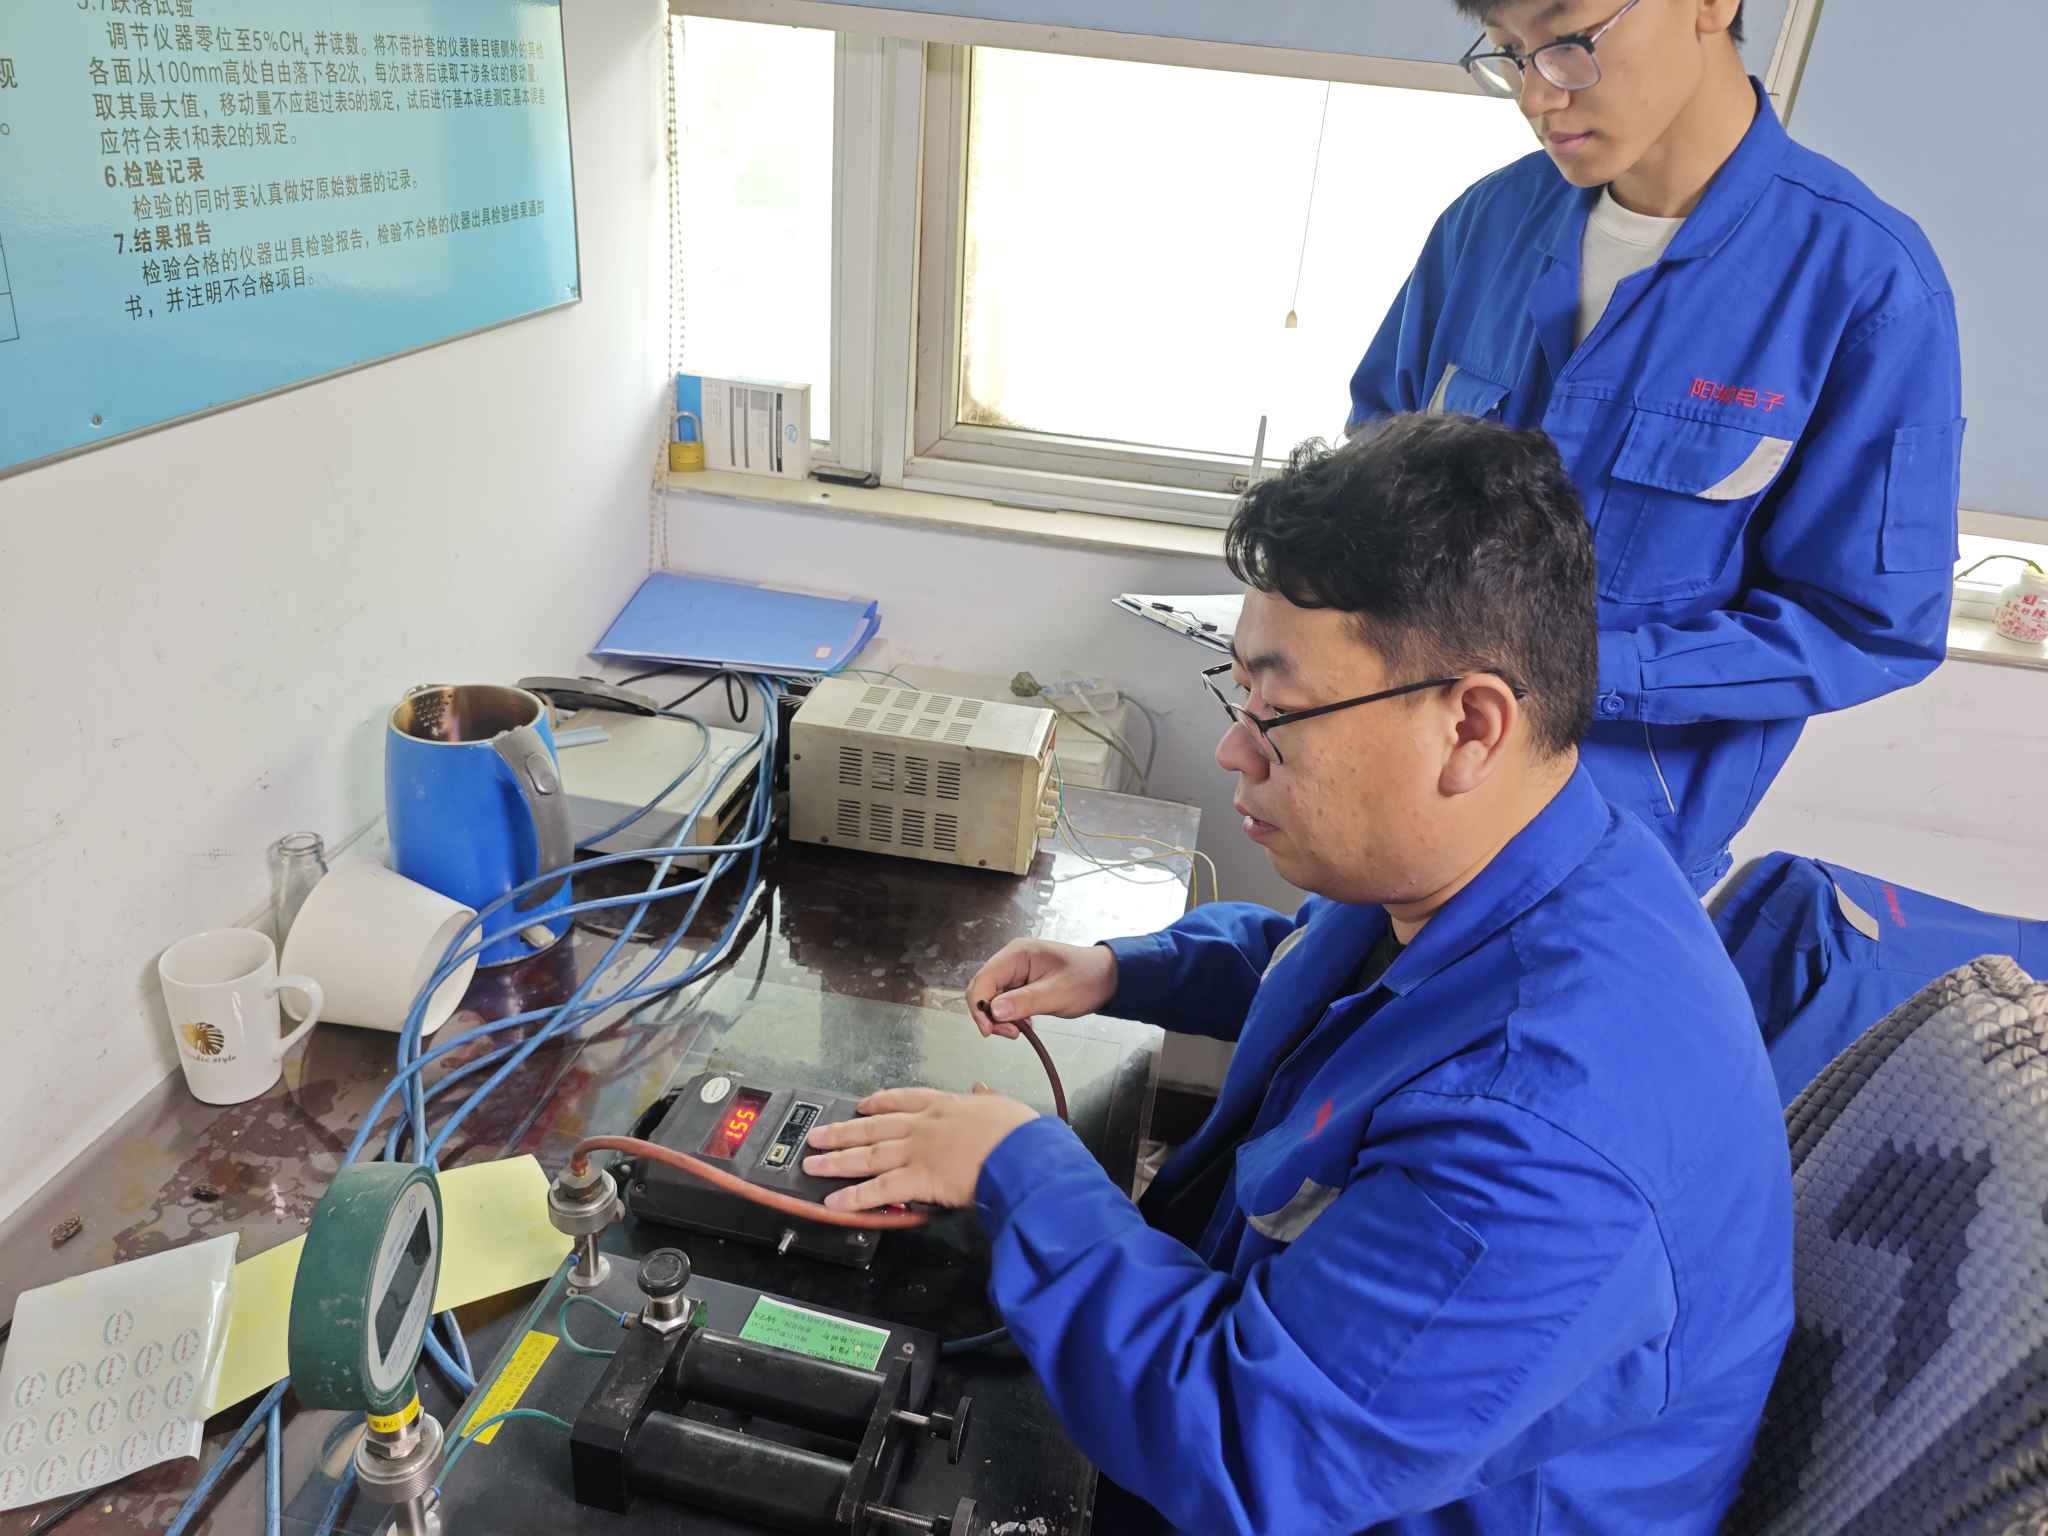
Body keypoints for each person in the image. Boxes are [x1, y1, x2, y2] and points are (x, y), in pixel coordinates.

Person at [803, 414, 1794, 1534]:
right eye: (1240, 700)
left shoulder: (1545, 1137)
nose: (1235, 749)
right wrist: (1122, 971)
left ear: (1470, 725)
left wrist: (1016, 1165)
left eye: (1277, 714)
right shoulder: (1520, 859)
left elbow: (1245, 1448)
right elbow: (1319, 965)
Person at [1349, 0, 1965, 893]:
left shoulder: (1866, 285)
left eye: (1568, 43)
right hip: (1388, 793)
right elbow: (1374, 469)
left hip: (1605, 856)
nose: (1536, 97)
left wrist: (1579, 672)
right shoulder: (1487, 226)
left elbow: (1867, 626)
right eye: (1512, 53)